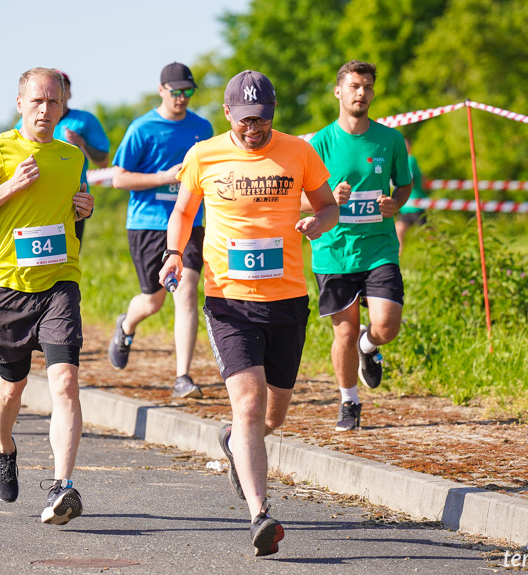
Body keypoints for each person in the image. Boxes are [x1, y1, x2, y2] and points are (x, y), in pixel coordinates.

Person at [159, 70, 338, 556]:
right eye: (244, 120)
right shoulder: (204, 154)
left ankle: (235, 441)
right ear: (227, 114)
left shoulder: (299, 151)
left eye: (260, 120)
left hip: (286, 300)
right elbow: (182, 212)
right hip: (229, 300)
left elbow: (327, 207)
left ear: (272, 116)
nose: (252, 129)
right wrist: (174, 253)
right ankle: (261, 514)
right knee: (250, 405)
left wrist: (317, 222)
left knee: (272, 416)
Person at [0, 68, 95, 526]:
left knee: (65, 381)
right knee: (12, 385)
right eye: (36, 101)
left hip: (60, 281)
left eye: (53, 102)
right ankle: (3, 446)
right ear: (20, 103)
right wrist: (10, 186)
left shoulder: (72, 157)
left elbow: (75, 207)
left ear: (63, 106)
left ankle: (62, 486)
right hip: (10, 284)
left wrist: (83, 208)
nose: (44, 109)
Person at [304, 61, 412, 432]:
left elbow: (404, 184)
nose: (361, 93)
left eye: (367, 86)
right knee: (344, 333)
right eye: (354, 86)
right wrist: (328, 198)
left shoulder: (390, 140)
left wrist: (395, 204)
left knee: (386, 326)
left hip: (379, 246)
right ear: (339, 91)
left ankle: (371, 345)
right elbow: (299, 197)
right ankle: (349, 401)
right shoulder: (319, 143)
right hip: (334, 250)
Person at [108, 62, 213, 399]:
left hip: (189, 222)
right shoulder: (142, 128)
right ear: (161, 90)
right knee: (153, 302)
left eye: (187, 92)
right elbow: (118, 178)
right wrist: (164, 177)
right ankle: (126, 325)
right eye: (175, 92)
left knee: (186, 290)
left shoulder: (203, 127)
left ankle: (183, 376)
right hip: (148, 224)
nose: (181, 98)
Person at [14, 70, 110, 244]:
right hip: (34, 201)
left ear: (67, 94)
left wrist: (81, 143)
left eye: (58, 93)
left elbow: (103, 161)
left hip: (72, 204)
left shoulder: (84, 120)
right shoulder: (25, 122)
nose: (46, 106)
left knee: (64, 258)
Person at [395, 136, 427, 255]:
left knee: (429, 234)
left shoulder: (409, 160)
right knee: (398, 232)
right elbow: (422, 179)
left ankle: (443, 252)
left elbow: (409, 181)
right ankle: (397, 261)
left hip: (415, 204)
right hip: (407, 205)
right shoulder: (410, 160)